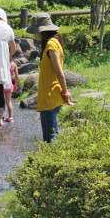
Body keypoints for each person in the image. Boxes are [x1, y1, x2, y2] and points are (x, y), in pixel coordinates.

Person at [25, 13, 74, 143]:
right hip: (51, 96)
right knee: (55, 136)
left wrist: (66, 92)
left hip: (50, 96)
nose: (34, 35)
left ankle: (50, 162)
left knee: (49, 139)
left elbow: (60, 73)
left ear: (41, 31)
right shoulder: (54, 42)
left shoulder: (51, 45)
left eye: (35, 32)